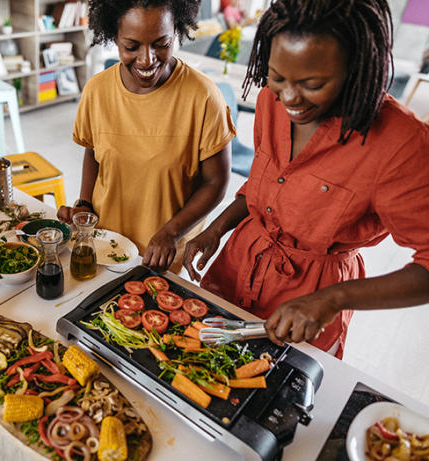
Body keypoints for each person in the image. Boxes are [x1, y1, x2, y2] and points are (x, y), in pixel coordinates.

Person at [183, 0, 429, 359]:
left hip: (309, 299)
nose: (289, 98)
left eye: (312, 84)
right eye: (277, 77)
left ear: (356, 68)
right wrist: (216, 229)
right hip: (236, 267)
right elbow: (264, 185)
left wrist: (332, 299)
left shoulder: (401, 144)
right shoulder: (273, 99)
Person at [57, 0, 235, 273]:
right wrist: (85, 205)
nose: (147, 59)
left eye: (161, 43)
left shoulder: (203, 96)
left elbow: (216, 181)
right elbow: (93, 153)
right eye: (131, 46)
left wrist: (172, 232)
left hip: (163, 257)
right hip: (107, 246)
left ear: (176, 31)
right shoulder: (97, 91)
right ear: (114, 37)